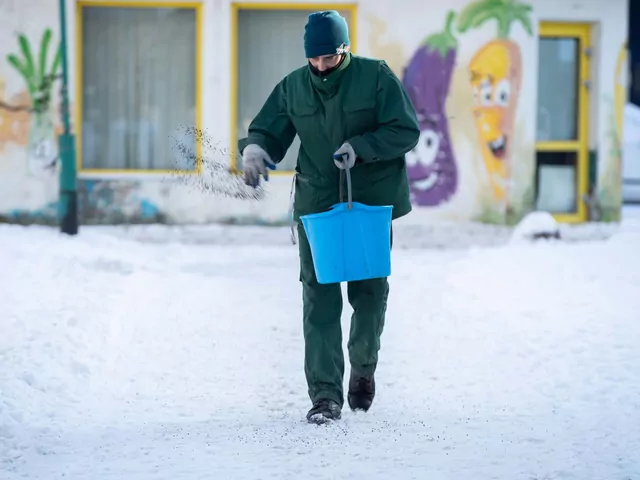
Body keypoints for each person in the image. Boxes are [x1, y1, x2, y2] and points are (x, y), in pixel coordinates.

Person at [238, 10, 419, 424]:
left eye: (328, 58)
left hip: (369, 203)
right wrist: (256, 149)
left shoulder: (375, 78)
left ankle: (363, 365)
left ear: (345, 49)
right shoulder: (294, 87)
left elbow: (405, 130)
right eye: (313, 59)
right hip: (317, 203)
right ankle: (325, 397)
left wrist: (362, 146)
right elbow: (269, 129)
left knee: (368, 292)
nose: (320, 66)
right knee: (318, 296)